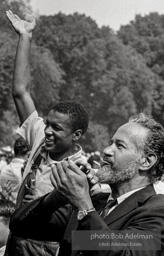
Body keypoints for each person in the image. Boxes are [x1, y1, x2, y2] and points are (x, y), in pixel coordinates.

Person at [6, 113, 164, 256]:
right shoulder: (97, 202)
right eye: (111, 143)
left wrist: (83, 206)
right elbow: (20, 225)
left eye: (120, 146)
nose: (107, 150)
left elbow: (122, 252)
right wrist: (58, 195)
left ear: (146, 161)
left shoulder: (158, 210)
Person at [6, 10, 89, 207]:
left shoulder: (80, 172)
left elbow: (81, 226)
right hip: (17, 236)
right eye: (48, 124)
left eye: (57, 128)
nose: (48, 132)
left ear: (76, 135)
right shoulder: (40, 142)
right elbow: (20, 92)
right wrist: (25, 37)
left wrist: (42, 206)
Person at [0, 137, 29, 203]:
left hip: (6, 208)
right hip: (22, 210)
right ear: (28, 153)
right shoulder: (27, 171)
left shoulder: (4, 169)